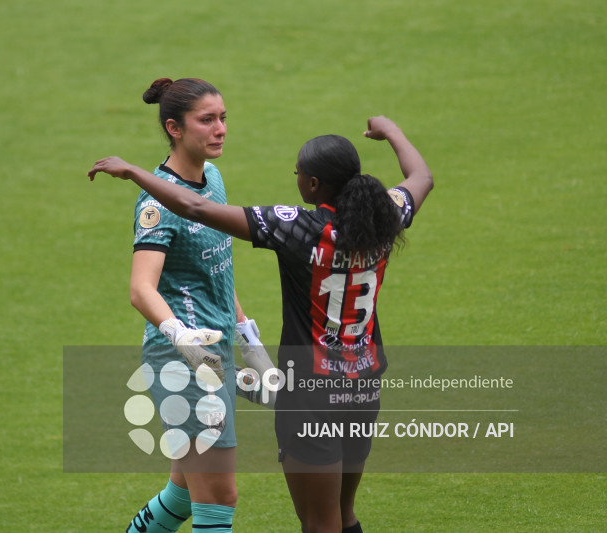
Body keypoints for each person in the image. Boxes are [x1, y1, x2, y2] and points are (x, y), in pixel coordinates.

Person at [89, 115, 433, 533]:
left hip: (309, 394)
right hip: (364, 386)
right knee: (344, 515)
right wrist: (393, 130)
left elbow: (194, 206)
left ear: (311, 185)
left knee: (319, 522)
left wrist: (132, 172)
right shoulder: (386, 217)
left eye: (299, 174)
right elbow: (421, 176)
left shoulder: (300, 229)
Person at [111, 77, 273, 533]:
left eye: (223, 118)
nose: (220, 129)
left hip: (215, 354)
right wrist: (181, 338)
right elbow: (141, 289)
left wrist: (247, 336)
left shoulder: (213, 179)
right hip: (182, 360)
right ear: (174, 128)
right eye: (207, 120)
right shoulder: (157, 203)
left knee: (183, 495)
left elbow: (217, 269)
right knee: (218, 499)